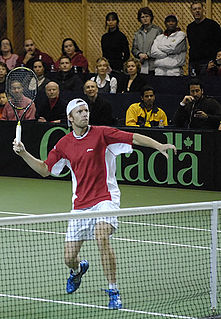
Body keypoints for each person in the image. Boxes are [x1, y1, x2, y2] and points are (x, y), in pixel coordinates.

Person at [12, 97, 176, 309]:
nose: (85, 114)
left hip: (105, 199)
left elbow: (133, 137)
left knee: (101, 237)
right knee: (68, 258)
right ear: (70, 118)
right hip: (80, 204)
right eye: (79, 112)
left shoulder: (102, 134)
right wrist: (24, 153)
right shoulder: (64, 144)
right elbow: (45, 170)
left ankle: (113, 290)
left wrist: (158, 145)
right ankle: (78, 269)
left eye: (86, 110)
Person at [187, 0, 221, 76]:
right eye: (194, 9)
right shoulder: (190, 27)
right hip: (193, 64)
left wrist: (214, 62)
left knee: (209, 87)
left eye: (199, 8)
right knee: (193, 86)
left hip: (208, 64)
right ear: (191, 11)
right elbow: (192, 45)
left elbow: (219, 45)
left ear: (203, 10)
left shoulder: (213, 25)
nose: (197, 11)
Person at [131, 7, 163, 75]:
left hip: (154, 66)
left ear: (151, 17)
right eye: (142, 17)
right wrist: (139, 54)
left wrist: (147, 55)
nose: (145, 19)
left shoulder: (157, 31)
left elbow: (160, 47)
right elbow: (134, 48)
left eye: (147, 16)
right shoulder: (137, 33)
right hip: (140, 65)